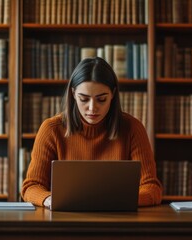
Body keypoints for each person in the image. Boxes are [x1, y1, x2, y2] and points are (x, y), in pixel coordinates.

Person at [21, 57, 162, 208]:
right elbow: (31, 186)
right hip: (65, 219)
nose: (92, 108)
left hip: (119, 220)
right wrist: (49, 199)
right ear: (73, 94)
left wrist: (119, 201)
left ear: (113, 94)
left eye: (101, 99)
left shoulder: (132, 128)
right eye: (84, 99)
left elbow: (152, 187)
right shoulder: (51, 129)